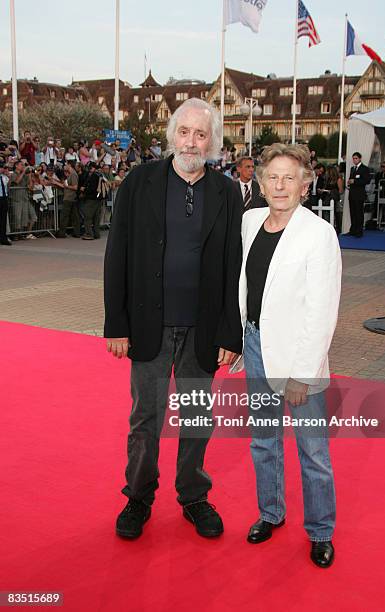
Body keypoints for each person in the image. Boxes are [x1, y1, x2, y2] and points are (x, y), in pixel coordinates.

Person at [104, 97, 243, 540]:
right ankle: (138, 496)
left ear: (213, 142)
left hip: (202, 329)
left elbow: (232, 265)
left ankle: (194, 496)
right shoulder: (139, 182)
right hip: (147, 325)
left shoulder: (226, 192)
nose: (191, 141)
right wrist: (116, 323)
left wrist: (229, 331)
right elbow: (116, 255)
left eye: (201, 134)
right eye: (184, 131)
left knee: (199, 417)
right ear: (172, 136)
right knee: (146, 416)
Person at [238, 143, 341, 568]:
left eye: (289, 178)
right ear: (260, 183)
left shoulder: (318, 234)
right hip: (255, 345)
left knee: (312, 449)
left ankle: (320, 531)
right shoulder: (248, 222)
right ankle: (271, 513)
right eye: (272, 177)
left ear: (304, 185)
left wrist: (303, 373)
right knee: (263, 440)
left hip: (300, 356)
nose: (280, 185)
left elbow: (322, 310)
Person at [346, 152, 371, 237]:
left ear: (360, 159)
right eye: (353, 158)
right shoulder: (352, 168)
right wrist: (349, 182)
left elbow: (367, 180)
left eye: (356, 158)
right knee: (352, 213)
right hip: (352, 194)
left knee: (359, 213)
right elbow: (351, 179)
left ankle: (359, 231)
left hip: (359, 194)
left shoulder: (364, 169)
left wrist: (355, 181)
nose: (354, 160)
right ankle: (353, 230)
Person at [55, 163, 80, 238]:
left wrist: (67, 186)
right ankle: (76, 232)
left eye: (66, 165)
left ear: (69, 165)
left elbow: (75, 187)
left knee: (65, 216)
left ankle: (62, 233)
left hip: (70, 198)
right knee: (73, 216)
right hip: (69, 197)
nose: (64, 166)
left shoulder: (73, 175)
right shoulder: (71, 175)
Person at [80, 162, 101, 240]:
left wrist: (84, 189)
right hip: (98, 199)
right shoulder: (100, 175)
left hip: (91, 199)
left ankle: (89, 234)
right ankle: (96, 234)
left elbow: (92, 189)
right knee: (96, 218)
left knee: (88, 217)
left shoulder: (93, 176)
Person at [0, 162, 11, 245]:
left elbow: (8, 186)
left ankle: (3, 238)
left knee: (3, 219)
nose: (2, 169)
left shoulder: (4, 177)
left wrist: (9, 177)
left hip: (4, 198)